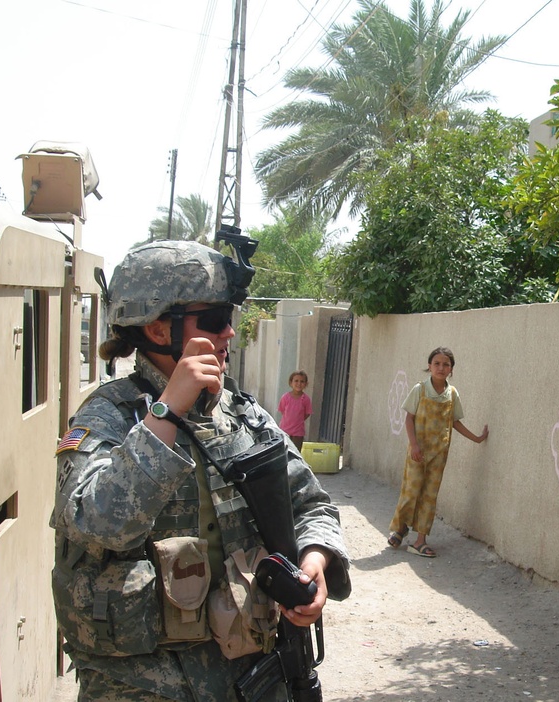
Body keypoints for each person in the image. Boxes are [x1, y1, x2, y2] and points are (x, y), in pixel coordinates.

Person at [51, 240, 351, 701]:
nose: (229, 333)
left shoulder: (243, 415)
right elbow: (96, 523)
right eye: (214, 320)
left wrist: (315, 562)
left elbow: (312, 505)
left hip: (254, 673)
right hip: (141, 685)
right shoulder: (108, 417)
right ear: (155, 329)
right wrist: (167, 412)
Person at [387, 346, 488, 558]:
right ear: (429, 366)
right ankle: (401, 528)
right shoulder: (420, 390)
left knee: (430, 496)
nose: (441, 368)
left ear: (451, 369)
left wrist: (477, 439)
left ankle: (420, 540)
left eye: (446, 364)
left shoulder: (452, 394)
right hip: (418, 453)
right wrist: (414, 445)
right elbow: (409, 418)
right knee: (410, 491)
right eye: (437, 363)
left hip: (439, 454)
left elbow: (455, 422)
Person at [278, 370, 313, 449]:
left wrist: (298, 420)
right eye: (296, 381)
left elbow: (307, 413)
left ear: (306, 384)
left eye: (302, 381)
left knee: (295, 452)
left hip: (298, 433)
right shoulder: (285, 397)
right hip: (284, 430)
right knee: (284, 451)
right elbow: (283, 411)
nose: (299, 384)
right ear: (291, 383)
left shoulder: (306, 399)